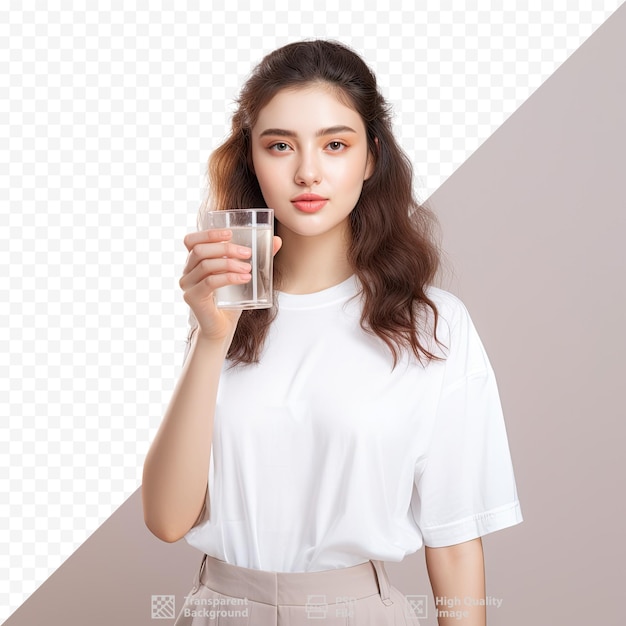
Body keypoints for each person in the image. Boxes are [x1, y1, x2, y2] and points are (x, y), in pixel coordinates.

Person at [142, 39, 523, 626]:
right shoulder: (222, 317)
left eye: (335, 144)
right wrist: (211, 339)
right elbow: (168, 520)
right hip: (220, 610)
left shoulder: (431, 325)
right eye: (279, 146)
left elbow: (454, 540)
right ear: (250, 160)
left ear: (371, 158)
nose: (307, 172)